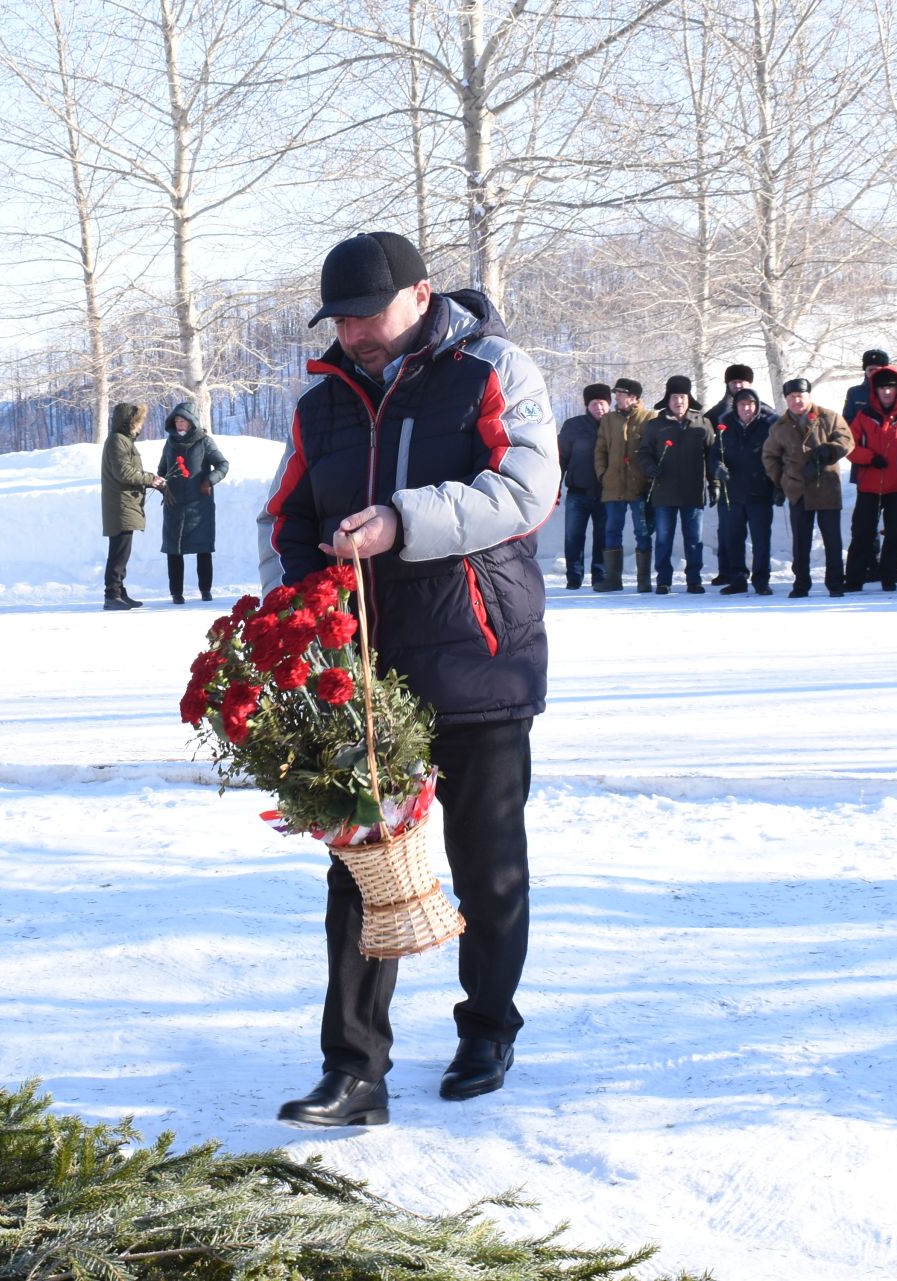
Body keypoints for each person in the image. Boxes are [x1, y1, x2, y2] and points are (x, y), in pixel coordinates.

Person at [258, 230, 555, 1126]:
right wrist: (298, 630)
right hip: (367, 679)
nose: (353, 335)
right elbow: (286, 522)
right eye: (339, 321)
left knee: (487, 864)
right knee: (360, 870)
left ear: (422, 296)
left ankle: (487, 1027)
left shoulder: (494, 369)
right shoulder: (323, 409)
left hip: (477, 660)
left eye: (367, 315)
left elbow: (524, 490)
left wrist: (401, 520)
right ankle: (354, 1069)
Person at [763, 378, 852, 597]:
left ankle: (835, 584)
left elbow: (847, 440)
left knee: (832, 540)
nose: (796, 401)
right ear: (786, 400)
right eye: (791, 397)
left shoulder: (828, 417)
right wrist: (780, 482)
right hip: (797, 489)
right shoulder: (779, 427)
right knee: (800, 542)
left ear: (809, 396)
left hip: (827, 487)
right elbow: (770, 456)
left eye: (800, 396)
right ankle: (801, 584)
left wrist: (829, 451)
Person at [843, 365, 897, 592]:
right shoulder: (864, 416)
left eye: (890, 388)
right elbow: (847, 445)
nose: (887, 392)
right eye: (882, 388)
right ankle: (854, 578)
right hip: (869, 485)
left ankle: (890, 577)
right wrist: (868, 458)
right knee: (861, 532)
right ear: (875, 391)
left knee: (894, 534)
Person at [637, 375, 718, 594]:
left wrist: (714, 484)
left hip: (693, 493)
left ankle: (694, 579)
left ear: (688, 399)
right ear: (668, 399)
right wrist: (650, 467)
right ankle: (664, 580)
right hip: (664, 493)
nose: (679, 402)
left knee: (694, 540)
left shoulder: (703, 423)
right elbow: (643, 453)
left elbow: (713, 456)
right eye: (674, 397)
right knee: (664, 538)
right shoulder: (655, 425)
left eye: (682, 397)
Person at [157, 400, 228, 604]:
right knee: (174, 549)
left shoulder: (204, 441)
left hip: (200, 504)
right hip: (174, 503)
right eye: (177, 420)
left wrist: (209, 480)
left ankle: (205, 589)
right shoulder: (170, 442)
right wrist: (161, 484)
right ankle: (176, 593)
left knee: (203, 547)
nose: (179, 424)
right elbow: (163, 468)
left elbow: (222, 464)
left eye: (183, 420)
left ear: (191, 422)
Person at [712, 387, 779, 594]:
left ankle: (761, 580)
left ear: (757, 406)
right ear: (736, 407)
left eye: (750, 404)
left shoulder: (768, 426)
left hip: (760, 492)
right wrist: (717, 467)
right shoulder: (725, 426)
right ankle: (737, 579)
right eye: (742, 404)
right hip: (731, 493)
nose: (747, 408)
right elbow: (714, 453)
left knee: (761, 539)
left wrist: (777, 485)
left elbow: (778, 456)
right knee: (733, 538)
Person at [101, 402, 166, 610]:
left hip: (126, 503)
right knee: (119, 551)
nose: (140, 427)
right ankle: (112, 594)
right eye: (138, 423)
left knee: (123, 550)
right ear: (128, 422)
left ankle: (119, 591)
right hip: (121, 504)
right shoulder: (117, 441)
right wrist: (150, 479)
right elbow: (124, 472)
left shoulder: (123, 441)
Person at [592, 378, 655, 592]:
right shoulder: (608, 420)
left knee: (642, 531)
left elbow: (653, 450)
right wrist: (603, 474)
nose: (615, 397)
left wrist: (649, 477)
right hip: (613, 486)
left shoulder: (649, 418)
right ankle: (613, 579)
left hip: (639, 486)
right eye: (616, 393)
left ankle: (643, 580)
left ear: (633, 397)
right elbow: (600, 450)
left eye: (620, 393)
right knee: (612, 530)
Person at [705, 364, 755, 586]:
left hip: (754, 480)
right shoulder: (716, 414)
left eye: (742, 382)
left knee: (757, 530)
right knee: (726, 528)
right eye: (733, 382)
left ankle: (759, 572)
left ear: (749, 384)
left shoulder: (762, 411)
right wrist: (713, 481)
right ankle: (726, 570)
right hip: (726, 479)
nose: (737, 385)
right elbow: (709, 450)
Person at [557, 384, 610, 589]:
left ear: (609, 404)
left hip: (606, 494)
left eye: (603, 403)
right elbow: (561, 458)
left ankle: (601, 576)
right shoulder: (573, 426)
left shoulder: (614, 425)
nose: (599, 407)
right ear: (587, 405)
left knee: (603, 538)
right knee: (573, 537)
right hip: (578, 493)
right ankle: (574, 577)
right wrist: (556, 487)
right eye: (594, 403)